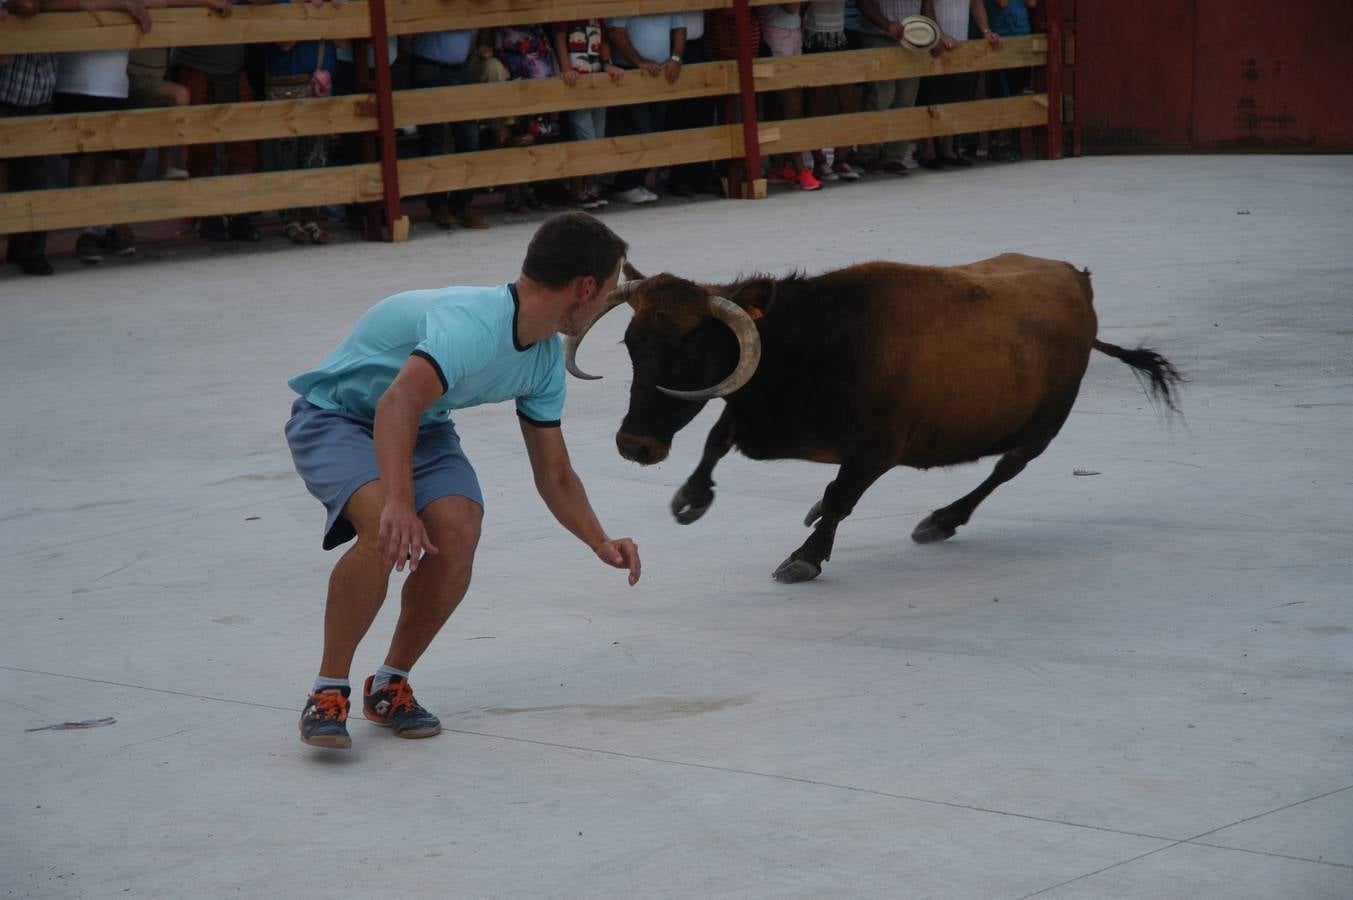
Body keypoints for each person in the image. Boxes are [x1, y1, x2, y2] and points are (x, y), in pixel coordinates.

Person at [285, 212, 642, 750]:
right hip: (335, 417)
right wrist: (400, 504)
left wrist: (598, 539)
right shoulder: (471, 323)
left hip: (421, 424)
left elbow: (554, 471)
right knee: (385, 528)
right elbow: (396, 401)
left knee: (458, 530)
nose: (605, 304)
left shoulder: (543, 357)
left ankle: (389, 686)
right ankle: (326, 691)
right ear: (586, 287)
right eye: (609, 290)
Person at [409, 27, 491, 229]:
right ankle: (438, 205)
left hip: (461, 68)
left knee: (468, 138)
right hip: (429, 67)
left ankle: (461, 204)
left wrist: (484, 40)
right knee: (433, 140)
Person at [605, 12, 686, 204]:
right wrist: (639, 61)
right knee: (640, 128)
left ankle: (637, 180)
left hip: (662, 71)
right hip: (632, 70)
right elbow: (616, 31)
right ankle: (624, 185)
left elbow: (680, 27)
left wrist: (675, 58)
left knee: (655, 129)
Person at [915, 0, 1000, 169]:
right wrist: (939, 34)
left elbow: (976, 3)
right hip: (934, 42)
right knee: (931, 95)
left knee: (957, 95)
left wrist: (986, 30)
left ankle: (947, 148)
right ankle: (928, 150)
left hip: (961, 40)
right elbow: (927, 6)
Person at [854, 0, 934, 174]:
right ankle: (868, 153)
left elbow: (927, 4)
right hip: (878, 34)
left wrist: (935, 33)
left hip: (915, 36)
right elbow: (862, 2)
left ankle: (894, 156)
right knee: (882, 97)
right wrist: (886, 23)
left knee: (906, 99)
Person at [551, 17, 624, 208]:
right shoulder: (567, 14)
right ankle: (576, 190)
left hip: (597, 79)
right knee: (585, 138)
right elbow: (559, 37)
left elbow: (604, 41)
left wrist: (607, 63)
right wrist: (566, 68)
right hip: (577, 81)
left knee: (597, 138)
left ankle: (590, 187)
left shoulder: (596, 16)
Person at [761, 3, 821, 191]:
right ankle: (800, 169)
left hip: (793, 30)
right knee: (792, 107)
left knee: (784, 106)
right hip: (778, 32)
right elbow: (791, 6)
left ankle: (778, 166)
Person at [803, 0, 861, 183]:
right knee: (818, 102)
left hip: (839, 33)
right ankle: (819, 161)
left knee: (849, 101)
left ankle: (840, 158)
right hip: (814, 34)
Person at [983, 0, 1034, 161]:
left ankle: (1008, 142)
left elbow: (1032, 3)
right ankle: (998, 143)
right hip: (1001, 39)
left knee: (1017, 91)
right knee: (1002, 94)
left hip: (1022, 34)